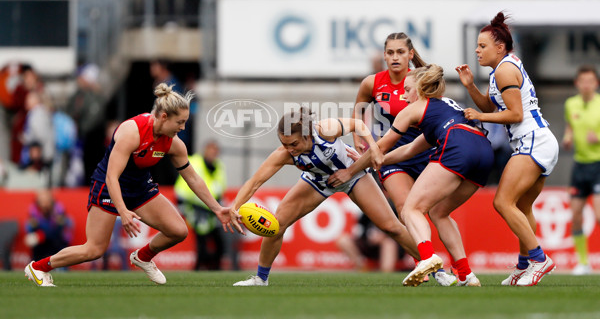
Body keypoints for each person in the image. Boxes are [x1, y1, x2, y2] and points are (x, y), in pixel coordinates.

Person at [24, 83, 242, 287]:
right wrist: (123, 212)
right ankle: (38, 268)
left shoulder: (174, 144)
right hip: (108, 186)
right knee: (94, 250)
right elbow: (112, 176)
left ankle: (143, 257)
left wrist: (216, 209)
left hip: (139, 187)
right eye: (180, 122)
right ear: (164, 117)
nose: (183, 127)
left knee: (178, 230)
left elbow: (193, 178)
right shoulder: (132, 132)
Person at [331, 65, 494, 287]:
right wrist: (375, 159)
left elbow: (383, 146)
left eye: (407, 90)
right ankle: (466, 274)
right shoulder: (442, 107)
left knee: (411, 209)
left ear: (420, 89)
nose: (404, 96)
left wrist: (353, 168)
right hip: (484, 152)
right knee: (439, 212)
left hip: (458, 145)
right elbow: (407, 150)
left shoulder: (414, 108)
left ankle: (427, 257)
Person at [230, 108, 420, 286]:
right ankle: (261, 279)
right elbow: (254, 182)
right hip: (318, 182)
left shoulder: (324, 130)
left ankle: (432, 265)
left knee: (391, 227)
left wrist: (374, 149)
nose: (290, 149)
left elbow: (358, 124)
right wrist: (234, 208)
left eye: (294, 144)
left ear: (307, 135)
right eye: (284, 144)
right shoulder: (284, 154)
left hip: (352, 175)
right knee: (276, 225)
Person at [455, 11, 559, 286]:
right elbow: (491, 107)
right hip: (539, 141)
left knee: (502, 202)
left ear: (499, 47)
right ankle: (525, 265)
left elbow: (514, 114)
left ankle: (539, 260)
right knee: (522, 206)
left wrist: (480, 118)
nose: (477, 50)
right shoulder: (499, 70)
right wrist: (470, 88)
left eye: (482, 46)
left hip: (533, 140)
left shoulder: (504, 69)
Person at [352, 32, 456, 286]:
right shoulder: (372, 83)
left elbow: (439, 112)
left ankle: (459, 268)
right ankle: (433, 267)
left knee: (435, 211)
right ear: (384, 55)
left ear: (410, 54)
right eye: (390, 52)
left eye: (400, 52)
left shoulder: (423, 79)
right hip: (392, 158)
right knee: (404, 210)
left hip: (424, 152)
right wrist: (358, 133)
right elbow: (359, 106)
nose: (395, 57)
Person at [562, 65, 600, 275]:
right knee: (576, 215)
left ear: (596, 84)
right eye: (583, 81)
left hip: (598, 164)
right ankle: (583, 263)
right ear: (577, 83)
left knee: (598, 214)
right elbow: (570, 125)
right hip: (579, 165)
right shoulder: (571, 104)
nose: (586, 85)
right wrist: (568, 137)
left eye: (590, 81)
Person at [175, 140, 227, 270]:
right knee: (202, 239)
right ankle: (199, 267)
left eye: (216, 151)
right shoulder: (195, 162)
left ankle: (213, 267)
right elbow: (186, 187)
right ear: (205, 150)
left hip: (211, 208)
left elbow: (219, 188)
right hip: (193, 206)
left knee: (218, 241)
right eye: (211, 150)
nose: (213, 153)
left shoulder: (218, 165)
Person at [24, 189, 73, 262]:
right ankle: (35, 266)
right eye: (42, 201)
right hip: (41, 241)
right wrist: (32, 227)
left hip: (57, 240)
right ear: (38, 202)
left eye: (47, 201)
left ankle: (62, 268)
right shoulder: (33, 210)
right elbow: (28, 228)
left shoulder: (58, 208)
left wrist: (60, 222)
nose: (45, 204)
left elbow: (69, 224)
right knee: (31, 239)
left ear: (51, 200)